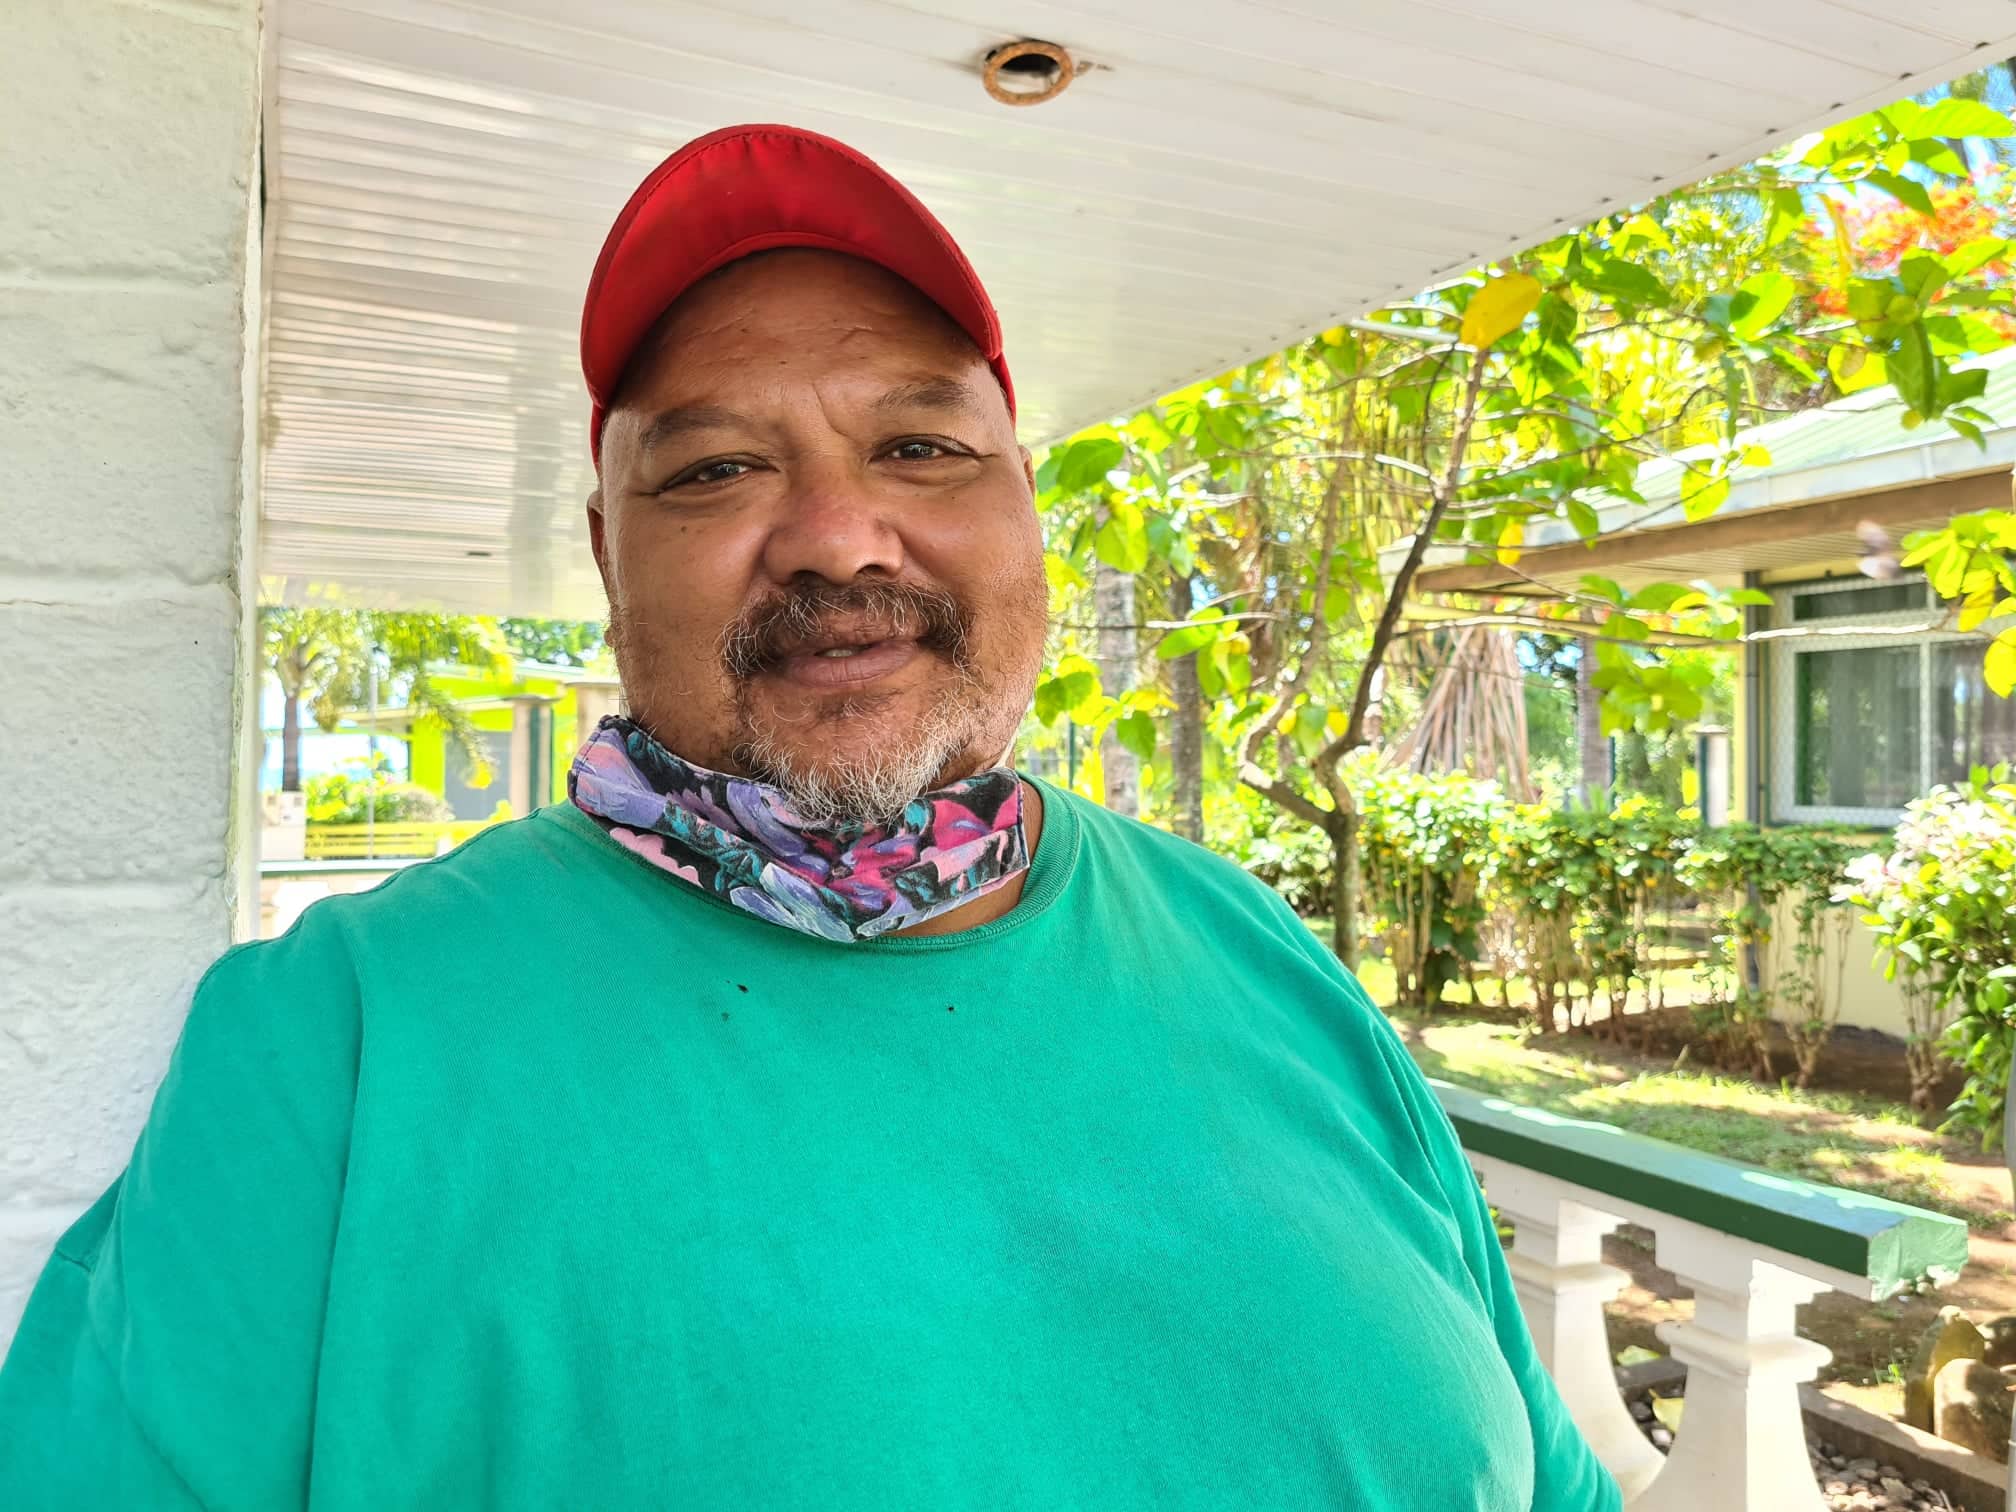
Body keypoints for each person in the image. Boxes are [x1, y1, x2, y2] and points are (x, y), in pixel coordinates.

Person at [0, 123, 1619, 1511]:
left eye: (921, 446)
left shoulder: (1253, 943)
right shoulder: (336, 1037)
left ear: (1026, 513)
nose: (839, 536)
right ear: (603, 551)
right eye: (711, 472)